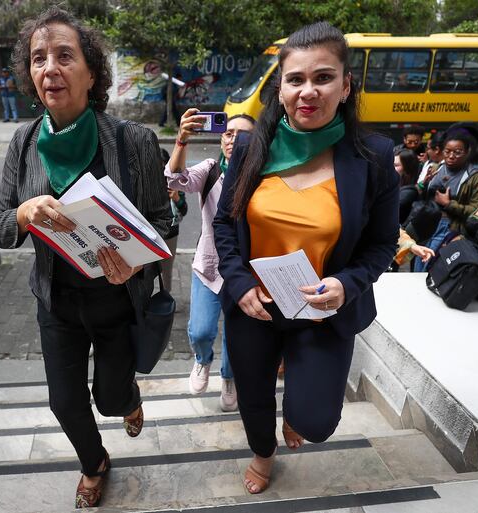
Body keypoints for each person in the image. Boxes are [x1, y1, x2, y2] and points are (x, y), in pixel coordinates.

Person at [0, 8, 171, 509]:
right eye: (38, 58)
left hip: (116, 300)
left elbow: (165, 220)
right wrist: (24, 212)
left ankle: (128, 400)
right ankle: (94, 465)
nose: (50, 68)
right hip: (57, 303)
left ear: (92, 73)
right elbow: (1, 227)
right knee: (64, 402)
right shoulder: (24, 143)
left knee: (109, 399)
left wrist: (138, 262)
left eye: (64, 56)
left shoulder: (132, 142)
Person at [213, 22, 398, 494]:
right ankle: (263, 453)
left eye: (323, 77)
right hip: (254, 305)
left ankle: (296, 410)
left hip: (320, 310)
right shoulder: (253, 147)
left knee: (314, 421)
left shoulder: (372, 157)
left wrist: (348, 283)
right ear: (281, 87)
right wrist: (237, 283)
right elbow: (224, 228)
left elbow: (381, 244)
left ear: (346, 84)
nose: (307, 92)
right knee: (254, 400)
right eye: (295, 80)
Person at [165, 109, 255, 412]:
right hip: (208, 266)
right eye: (228, 133)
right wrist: (182, 140)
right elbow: (177, 180)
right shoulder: (211, 169)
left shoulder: (261, 174)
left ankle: (229, 377)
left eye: (243, 134)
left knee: (235, 333)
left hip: (244, 271)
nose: (233, 139)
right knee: (201, 330)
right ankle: (202, 360)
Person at [413, 132, 478, 271]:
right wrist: (424, 184)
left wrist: (449, 204)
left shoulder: (474, 177)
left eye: (457, 152)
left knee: (430, 263)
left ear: (467, 152)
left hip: (448, 226)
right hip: (425, 221)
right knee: (418, 259)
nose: (451, 156)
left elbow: (477, 211)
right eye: (447, 151)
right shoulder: (435, 168)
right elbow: (419, 194)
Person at [159, 148, 187, 291]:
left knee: (167, 271)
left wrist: (177, 199)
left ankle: (166, 299)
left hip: (170, 234)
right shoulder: (146, 182)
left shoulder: (174, 183)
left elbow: (184, 210)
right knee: (147, 271)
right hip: (151, 233)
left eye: (163, 165)